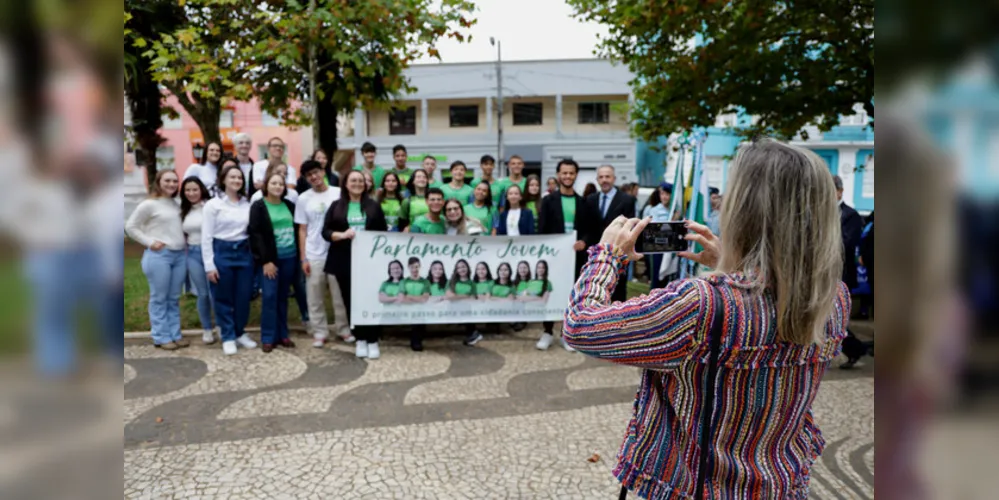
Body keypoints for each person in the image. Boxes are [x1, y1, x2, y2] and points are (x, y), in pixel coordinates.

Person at [562, 139, 850, 499]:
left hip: (695, 487)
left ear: (743, 210)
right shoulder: (834, 297)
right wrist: (731, 265)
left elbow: (580, 326)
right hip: (782, 486)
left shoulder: (702, 304)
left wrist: (607, 256)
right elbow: (769, 298)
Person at [322, 170, 388, 359]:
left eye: (360, 180)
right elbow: (326, 232)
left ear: (365, 185)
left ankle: (373, 339)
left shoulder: (374, 206)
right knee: (351, 301)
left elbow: (382, 233)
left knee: (371, 299)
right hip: (344, 261)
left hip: (370, 262)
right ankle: (360, 338)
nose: (357, 183)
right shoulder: (336, 206)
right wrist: (342, 235)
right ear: (346, 184)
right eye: (353, 180)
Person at [125, 170, 189, 350]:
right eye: (167, 180)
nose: (171, 184)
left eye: (175, 181)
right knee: (159, 297)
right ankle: (161, 336)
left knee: (173, 298)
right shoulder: (149, 204)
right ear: (159, 182)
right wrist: (149, 242)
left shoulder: (175, 204)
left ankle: (175, 334)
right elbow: (130, 227)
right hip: (160, 256)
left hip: (178, 255)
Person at [295, 160, 353, 348]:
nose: (314, 177)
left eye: (316, 172)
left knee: (339, 294)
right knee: (314, 294)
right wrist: (303, 257)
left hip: (336, 251)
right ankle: (319, 331)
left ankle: (343, 329)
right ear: (306, 178)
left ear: (323, 172)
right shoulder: (303, 198)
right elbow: (302, 229)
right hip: (314, 252)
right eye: (309, 175)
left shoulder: (338, 193)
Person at [202, 164, 258, 355]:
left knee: (243, 296)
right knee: (223, 297)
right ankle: (227, 335)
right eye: (232, 177)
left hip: (243, 252)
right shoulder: (213, 205)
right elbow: (206, 237)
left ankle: (239, 332)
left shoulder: (246, 204)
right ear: (223, 180)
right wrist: (209, 266)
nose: (236, 181)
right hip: (222, 251)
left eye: (239, 178)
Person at [536, 159, 586, 351]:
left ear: (575, 175)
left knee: (571, 295)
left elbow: (589, 230)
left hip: (575, 258)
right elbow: (542, 230)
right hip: (554, 258)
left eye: (571, 173)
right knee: (550, 292)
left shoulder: (582, 202)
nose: (567, 176)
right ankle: (547, 331)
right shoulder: (548, 201)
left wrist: (584, 241)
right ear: (558, 175)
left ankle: (567, 334)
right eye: (564, 173)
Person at [248, 167, 299, 353]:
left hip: (290, 257)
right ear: (266, 185)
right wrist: (266, 261)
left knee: (282, 297)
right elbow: (256, 235)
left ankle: (283, 334)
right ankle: (268, 337)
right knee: (269, 297)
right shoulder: (259, 206)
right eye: (274, 183)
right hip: (271, 261)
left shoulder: (289, 205)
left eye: (281, 183)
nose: (278, 186)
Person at [583, 165, 637, 302]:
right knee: (595, 289)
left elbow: (629, 229)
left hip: (618, 253)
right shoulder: (590, 200)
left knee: (618, 292)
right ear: (597, 179)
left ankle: (618, 321)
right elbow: (588, 227)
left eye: (607, 176)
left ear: (614, 178)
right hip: (596, 254)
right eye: (601, 177)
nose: (604, 180)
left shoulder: (627, 200)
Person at [180, 177, 217, 345]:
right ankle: (207, 329)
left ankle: (223, 326)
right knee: (202, 294)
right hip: (193, 254)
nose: (191, 193)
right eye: (187, 190)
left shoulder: (210, 206)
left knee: (215, 293)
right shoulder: (183, 210)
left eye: (195, 189)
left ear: (201, 189)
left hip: (212, 252)